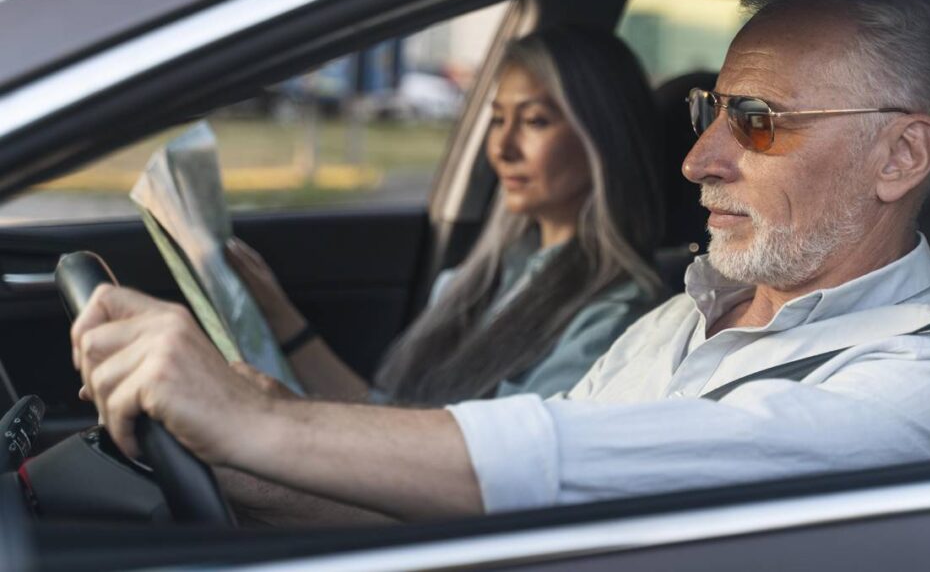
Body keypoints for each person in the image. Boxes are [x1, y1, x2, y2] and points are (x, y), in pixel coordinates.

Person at [72, 0, 930, 522]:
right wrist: (221, 461)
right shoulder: (672, 321)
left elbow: (580, 459)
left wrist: (263, 419)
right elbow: (464, 500)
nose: (696, 159)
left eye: (756, 120)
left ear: (900, 155)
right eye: (709, 111)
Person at [227, 25, 667, 405]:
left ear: (602, 138)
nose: (502, 148)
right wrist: (277, 314)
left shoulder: (615, 317)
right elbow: (392, 419)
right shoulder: (481, 278)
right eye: (497, 120)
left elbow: (499, 467)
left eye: (534, 121)